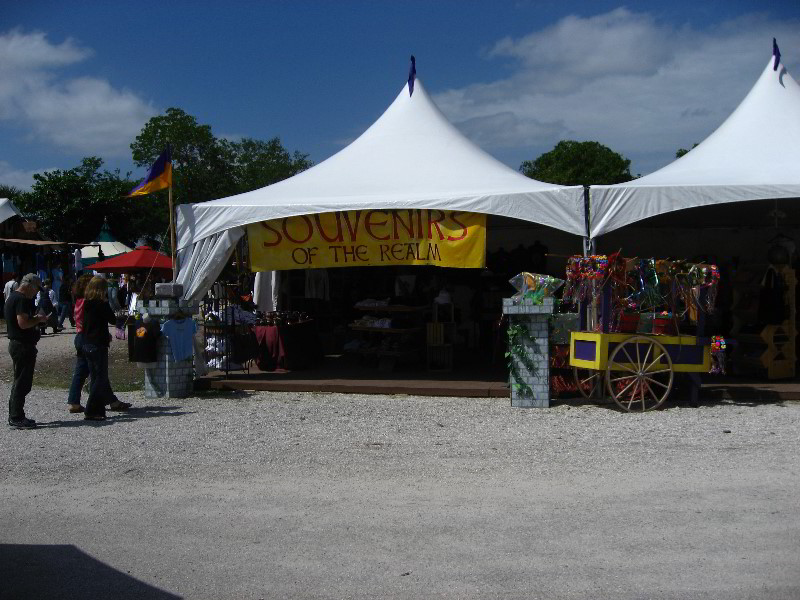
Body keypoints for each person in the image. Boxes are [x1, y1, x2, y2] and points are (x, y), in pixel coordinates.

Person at [67, 274, 129, 414]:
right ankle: (99, 405)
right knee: (98, 374)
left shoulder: (80, 301)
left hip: (82, 336)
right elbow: (105, 319)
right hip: (90, 337)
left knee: (82, 372)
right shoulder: (92, 302)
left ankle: (76, 401)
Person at [5, 274, 49, 429]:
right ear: (29, 285)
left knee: (20, 380)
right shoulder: (21, 299)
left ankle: (16, 415)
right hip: (22, 345)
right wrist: (38, 319)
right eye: (37, 288)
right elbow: (23, 324)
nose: (36, 292)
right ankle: (16, 416)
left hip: (18, 343)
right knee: (22, 382)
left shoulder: (13, 297)